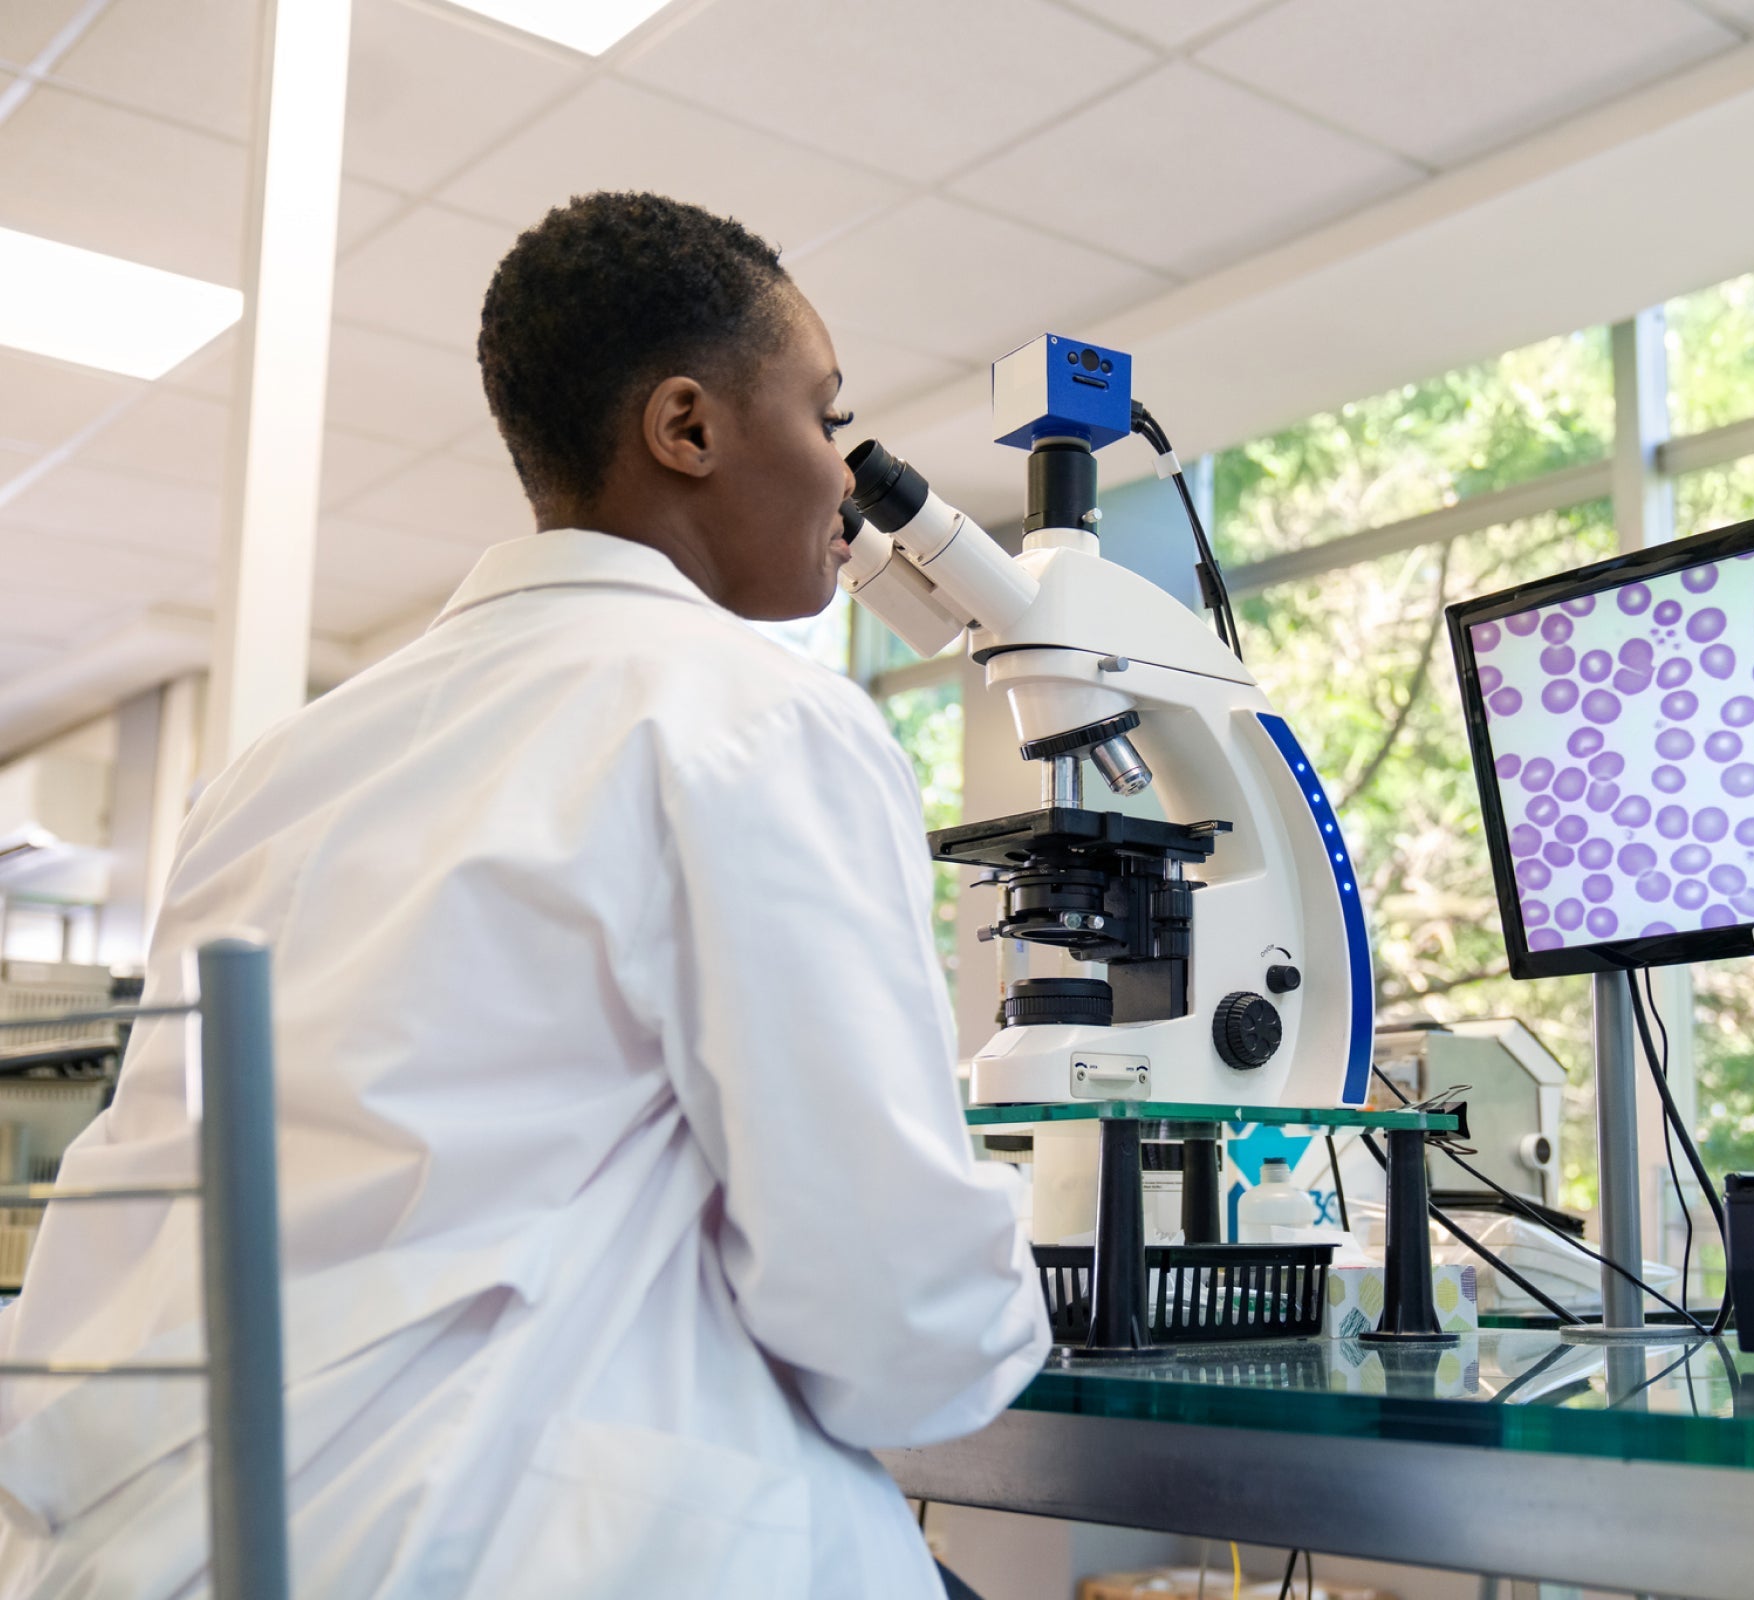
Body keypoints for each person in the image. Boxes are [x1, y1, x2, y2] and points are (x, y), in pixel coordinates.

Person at [0, 192, 1049, 1598]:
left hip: (211, 1545)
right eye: (822, 415)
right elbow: (902, 1329)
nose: (848, 482)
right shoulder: (750, 716)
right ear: (687, 431)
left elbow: (139, 1240)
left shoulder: (274, 772)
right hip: (539, 1543)